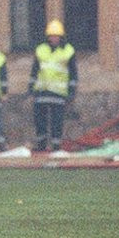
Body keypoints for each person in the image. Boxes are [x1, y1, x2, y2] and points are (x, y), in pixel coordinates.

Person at [29, 19, 78, 152]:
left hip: (58, 92)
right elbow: (35, 69)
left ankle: (56, 145)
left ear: (61, 37)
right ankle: (41, 144)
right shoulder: (41, 49)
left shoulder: (68, 51)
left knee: (57, 121)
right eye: (51, 36)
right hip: (42, 91)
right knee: (40, 121)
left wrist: (72, 91)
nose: (54, 38)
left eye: (56, 36)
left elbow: (73, 73)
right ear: (47, 36)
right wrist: (30, 88)